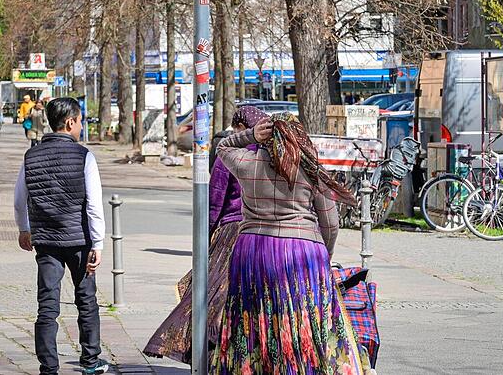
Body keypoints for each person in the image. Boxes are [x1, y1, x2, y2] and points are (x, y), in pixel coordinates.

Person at [210, 113, 372, 374]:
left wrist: (250, 135)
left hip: (252, 251)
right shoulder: (311, 170)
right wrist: (324, 255)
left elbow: (223, 147)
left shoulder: (247, 163)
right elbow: (330, 223)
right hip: (303, 252)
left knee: (253, 319)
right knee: (303, 321)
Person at [144, 106, 268, 365]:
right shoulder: (270, 153)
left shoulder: (231, 154)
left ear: (239, 127)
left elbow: (215, 198)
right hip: (262, 233)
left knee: (210, 296)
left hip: (232, 231)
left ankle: (208, 352)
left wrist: (207, 233)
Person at [14, 97, 110, 375]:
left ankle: (48, 368)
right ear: (70, 122)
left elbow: (20, 199)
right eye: (81, 121)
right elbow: (93, 203)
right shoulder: (84, 156)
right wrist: (99, 243)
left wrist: (24, 228)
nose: (81, 126)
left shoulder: (31, 156)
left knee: (47, 306)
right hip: (80, 242)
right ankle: (90, 362)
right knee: (87, 302)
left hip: (45, 241)